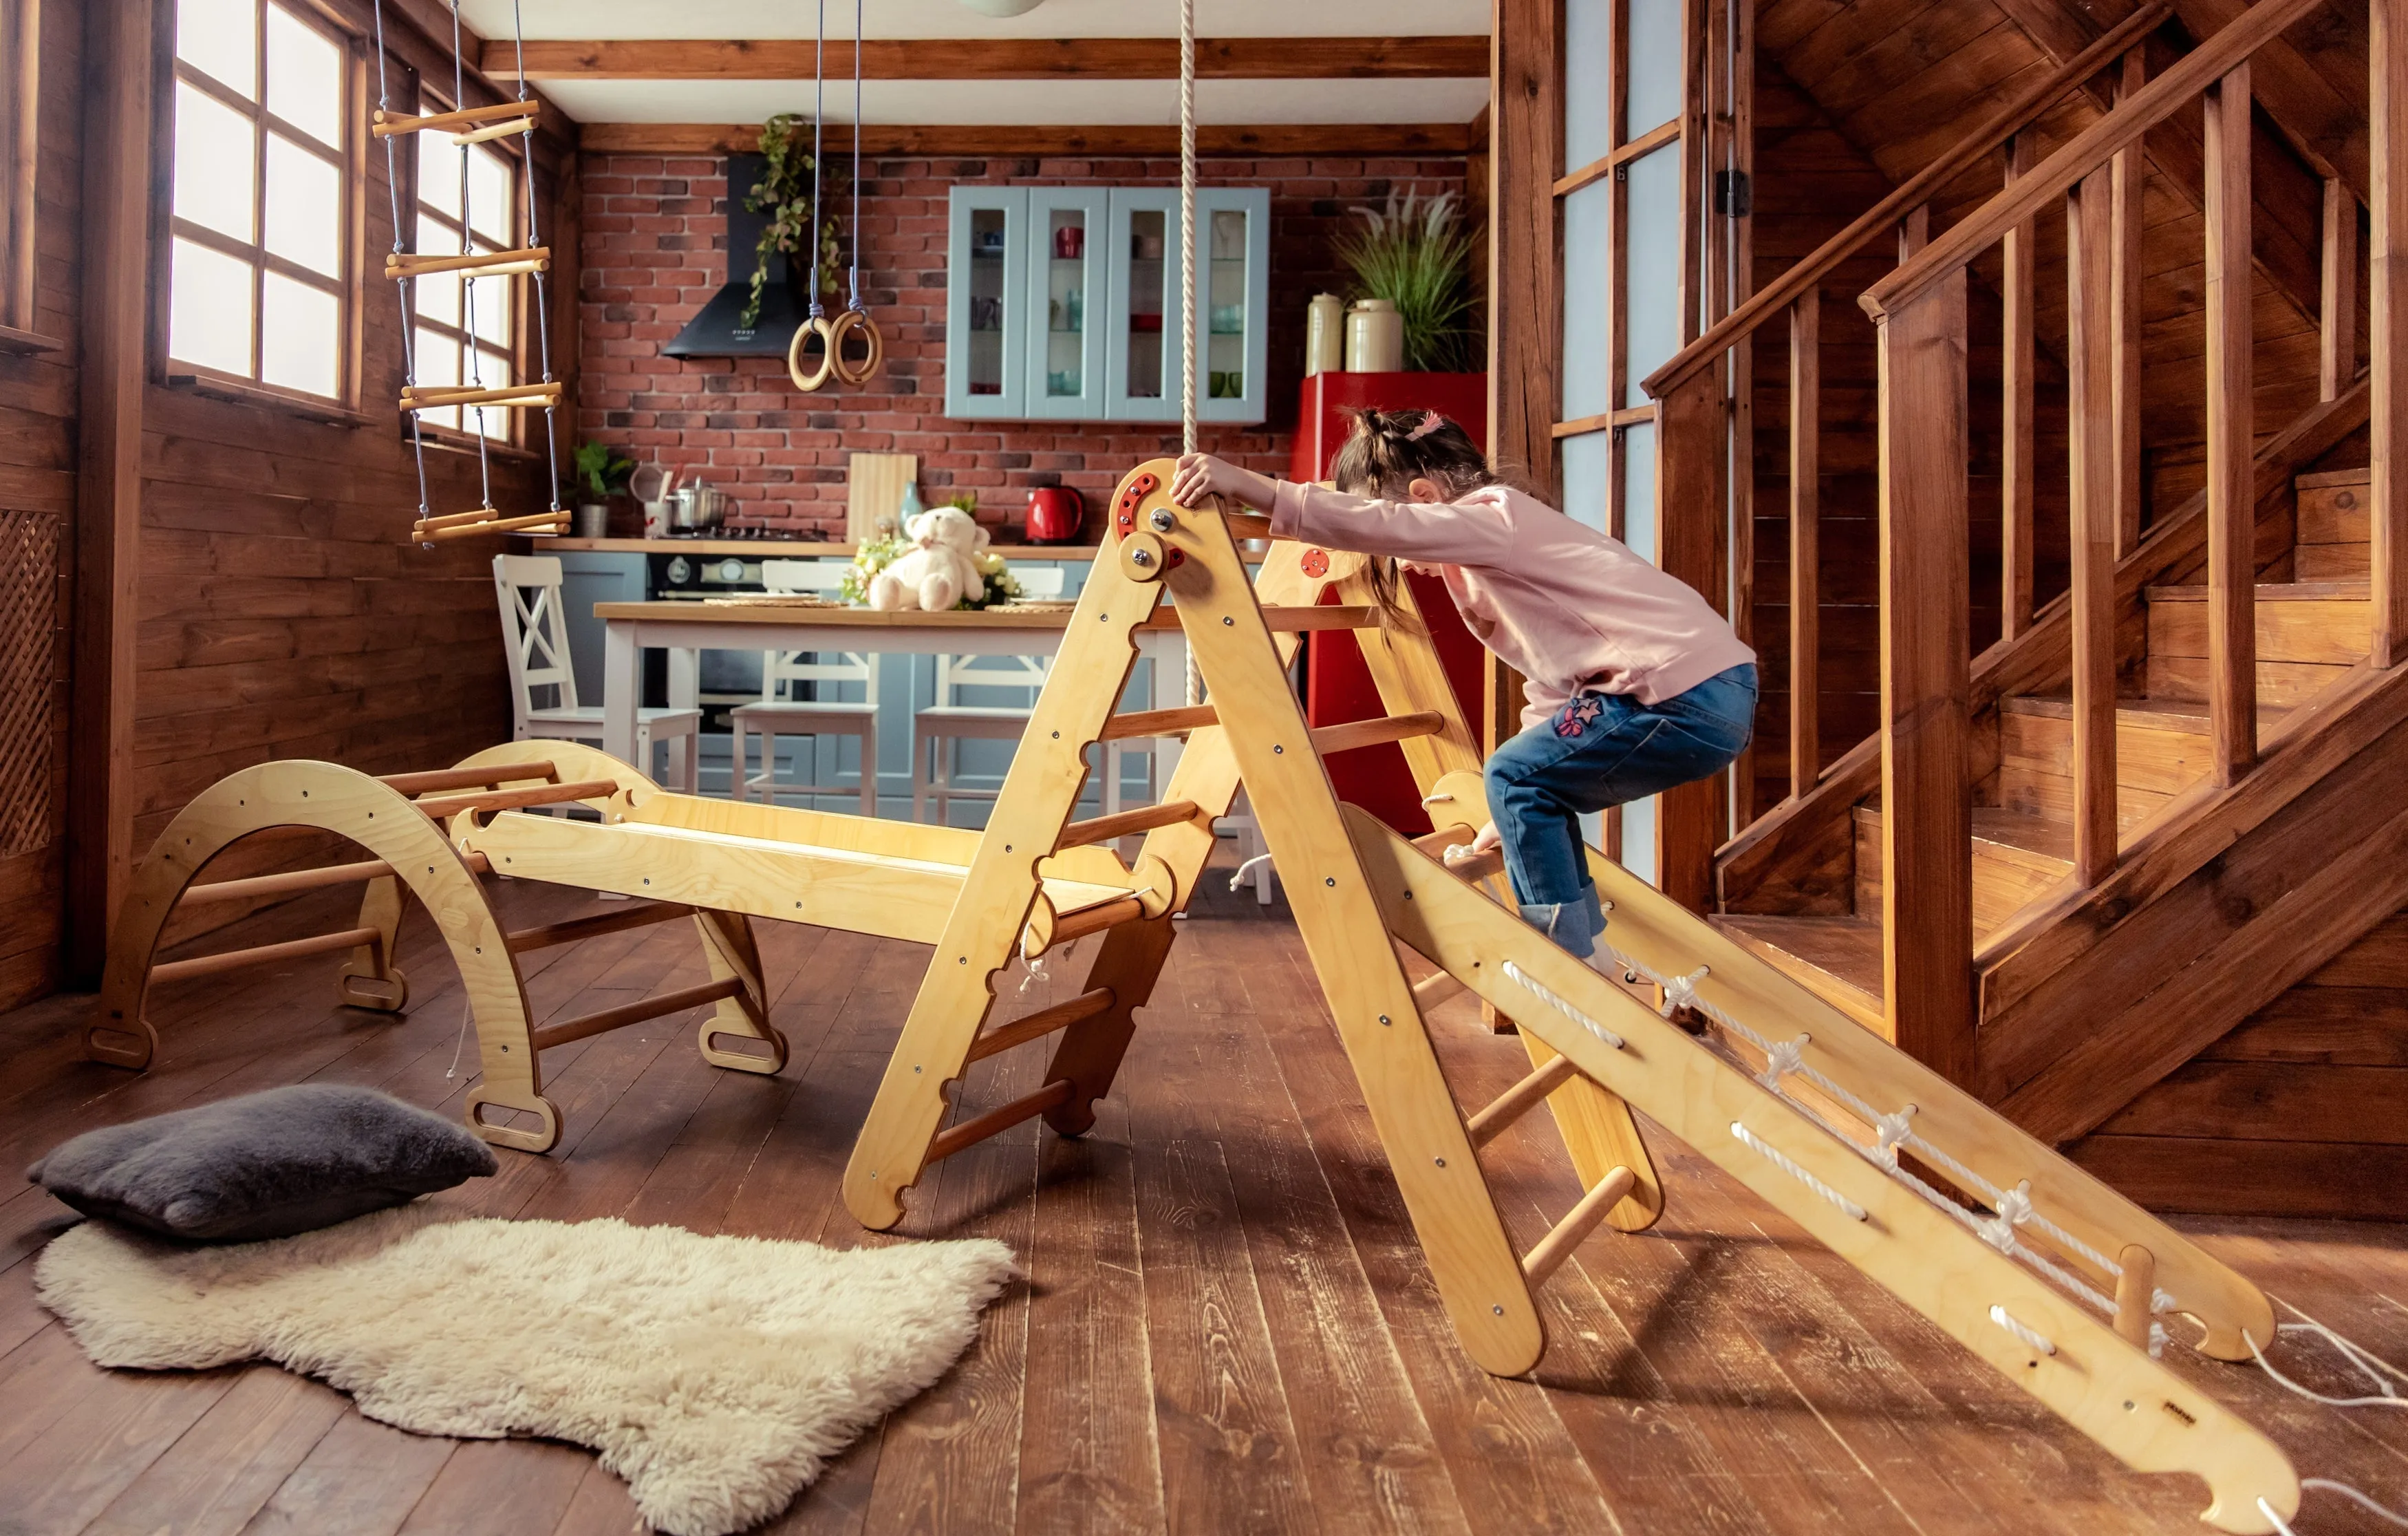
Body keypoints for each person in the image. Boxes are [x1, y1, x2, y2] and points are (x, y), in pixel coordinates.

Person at [1168, 407, 1756, 964]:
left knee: (1514, 777)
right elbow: (1553, 684)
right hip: (1709, 689)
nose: (1400, 560)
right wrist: (1509, 818)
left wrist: (1258, 488)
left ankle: (1563, 954)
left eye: (1396, 547)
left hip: (1676, 696)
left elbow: (1382, 523)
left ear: (1425, 500)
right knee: (1529, 786)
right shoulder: (1499, 550)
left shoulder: (1494, 516)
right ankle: (1584, 950)